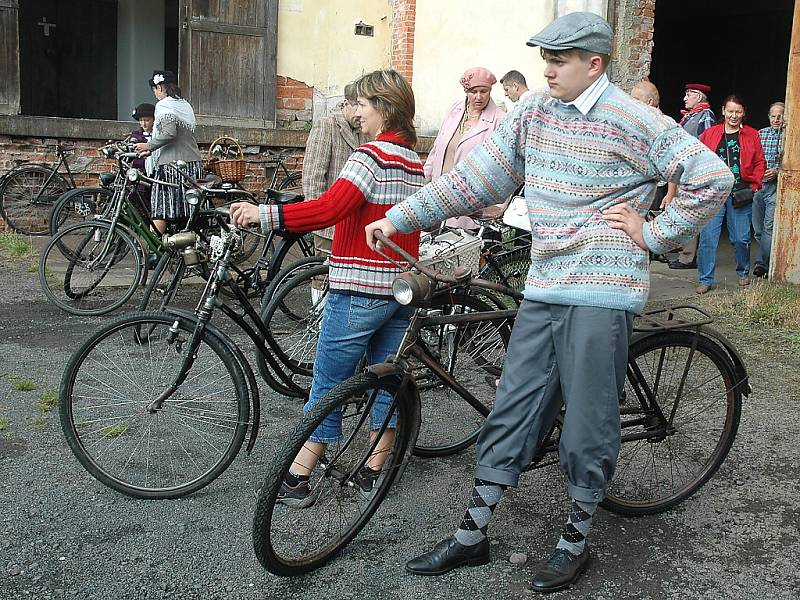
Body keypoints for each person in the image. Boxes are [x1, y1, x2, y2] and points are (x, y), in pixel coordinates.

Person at [365, 12, 733, 593]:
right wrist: (400, 217)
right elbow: (475, 180)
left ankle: (576, 539)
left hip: (604, 288)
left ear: (596, 63)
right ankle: (472, 533)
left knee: (588, 419)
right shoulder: (533, 114)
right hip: (544, 284)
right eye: (546, 58)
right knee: (512, 404)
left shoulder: (636, 119)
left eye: (560, 60)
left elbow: (712, 177)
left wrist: (654, 233)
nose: (547, 68)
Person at [229, 69, 425, 505]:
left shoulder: (371, 156)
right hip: (399, 291)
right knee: (386, 379)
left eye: (361, 104)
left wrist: (262, 215)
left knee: (330, 382)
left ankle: (298, 476)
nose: (354, 113)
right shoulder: (416, 162)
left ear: (384, 107)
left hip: (357, 288)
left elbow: (328, 209)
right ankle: (376, 470)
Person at [695, 95, 766, 294]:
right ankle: (705, 279)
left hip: (740, 193)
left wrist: (755, 185)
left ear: (743, 113)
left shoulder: (752, 134)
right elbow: (699, 160)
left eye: (738, 111)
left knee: (741, 238)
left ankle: (743, 271)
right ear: (723, 111)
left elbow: (760, 162)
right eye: (730, 111)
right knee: (708, 238)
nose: (734, 115)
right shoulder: (710, 133)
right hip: (714, 194)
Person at [423, 67, 505, 229]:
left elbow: (504, 169)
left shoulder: (499, 120)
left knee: (460, 249)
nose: (479, 97)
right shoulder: (455, 109)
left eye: (484, 91)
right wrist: (422, 180)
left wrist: (498, 208)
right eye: (474, 91)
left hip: (471, 206)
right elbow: (436, 149)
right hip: (437, 196)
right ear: (466, 91)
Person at [133, 70, 203, 235]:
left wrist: (148, 146)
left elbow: (169, 133)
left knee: (160, 208)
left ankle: (156, 252)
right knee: (187, 211)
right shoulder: (184, 104)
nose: (155, 93)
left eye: (155, 89)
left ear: (160, 87)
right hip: (191, 164)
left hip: (172, 168)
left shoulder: (165, 105)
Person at [303, 82, 368, 256]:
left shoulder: (365, 131)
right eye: (358, 107)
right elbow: (312, 178)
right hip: (327, 224)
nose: (360, 114)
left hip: (354, 223)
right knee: (322, 277)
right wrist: (318, 218)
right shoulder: (326, 126)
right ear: (346, 104)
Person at [669, 82, 717, 270]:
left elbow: (706, 146)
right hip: (683, 172)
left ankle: (688, 257)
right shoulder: (690, 117)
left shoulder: (705, 116)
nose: (684, 99)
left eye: (688, 95)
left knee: (691, 214)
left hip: (693, 173)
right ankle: (684, 253)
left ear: (698, 96)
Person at [752, 102, 785, 278]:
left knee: (769, 228)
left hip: (776, 187)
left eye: (780, 115)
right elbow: (752, 159)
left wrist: (778, 172)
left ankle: (762, 264)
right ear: (769, 117)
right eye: (773, 116)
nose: (776, 119)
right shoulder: (760, 134)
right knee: (757, 229)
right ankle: (768, 258)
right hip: (759, 186)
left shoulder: (790, 136)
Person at [128, 103, 156, 214]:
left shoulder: (158, 135)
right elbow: (131, 144)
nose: (143, 123)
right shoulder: (136, 135)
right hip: (139, 173)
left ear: (153, 120)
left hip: (154, 172)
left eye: (147, 120)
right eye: (141, 120)